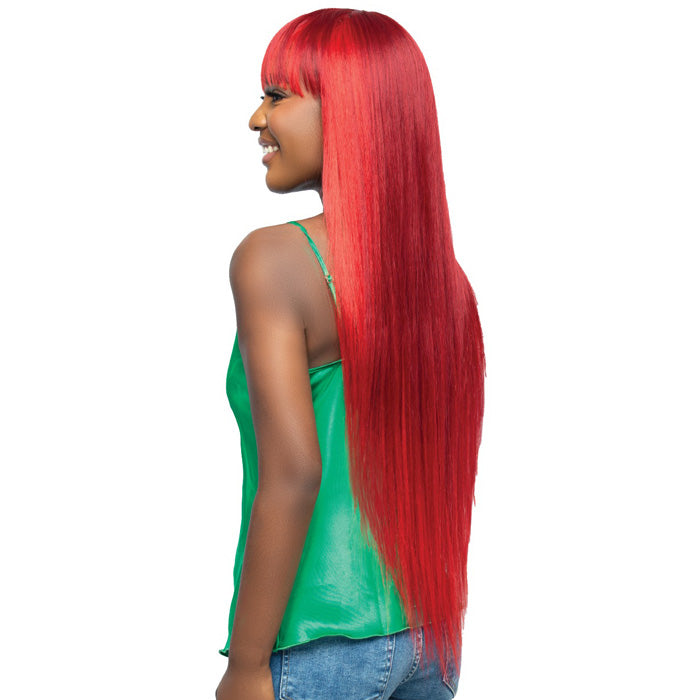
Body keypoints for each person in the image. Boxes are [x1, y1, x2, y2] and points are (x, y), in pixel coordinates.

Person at [215, 9, 486, 700]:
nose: (257, 119)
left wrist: (246, 664)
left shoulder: (274, 260)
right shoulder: (446, 283)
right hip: (429, 641)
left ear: (348, 110)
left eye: (277, 95)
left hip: (319, 644)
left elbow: (295, 473)